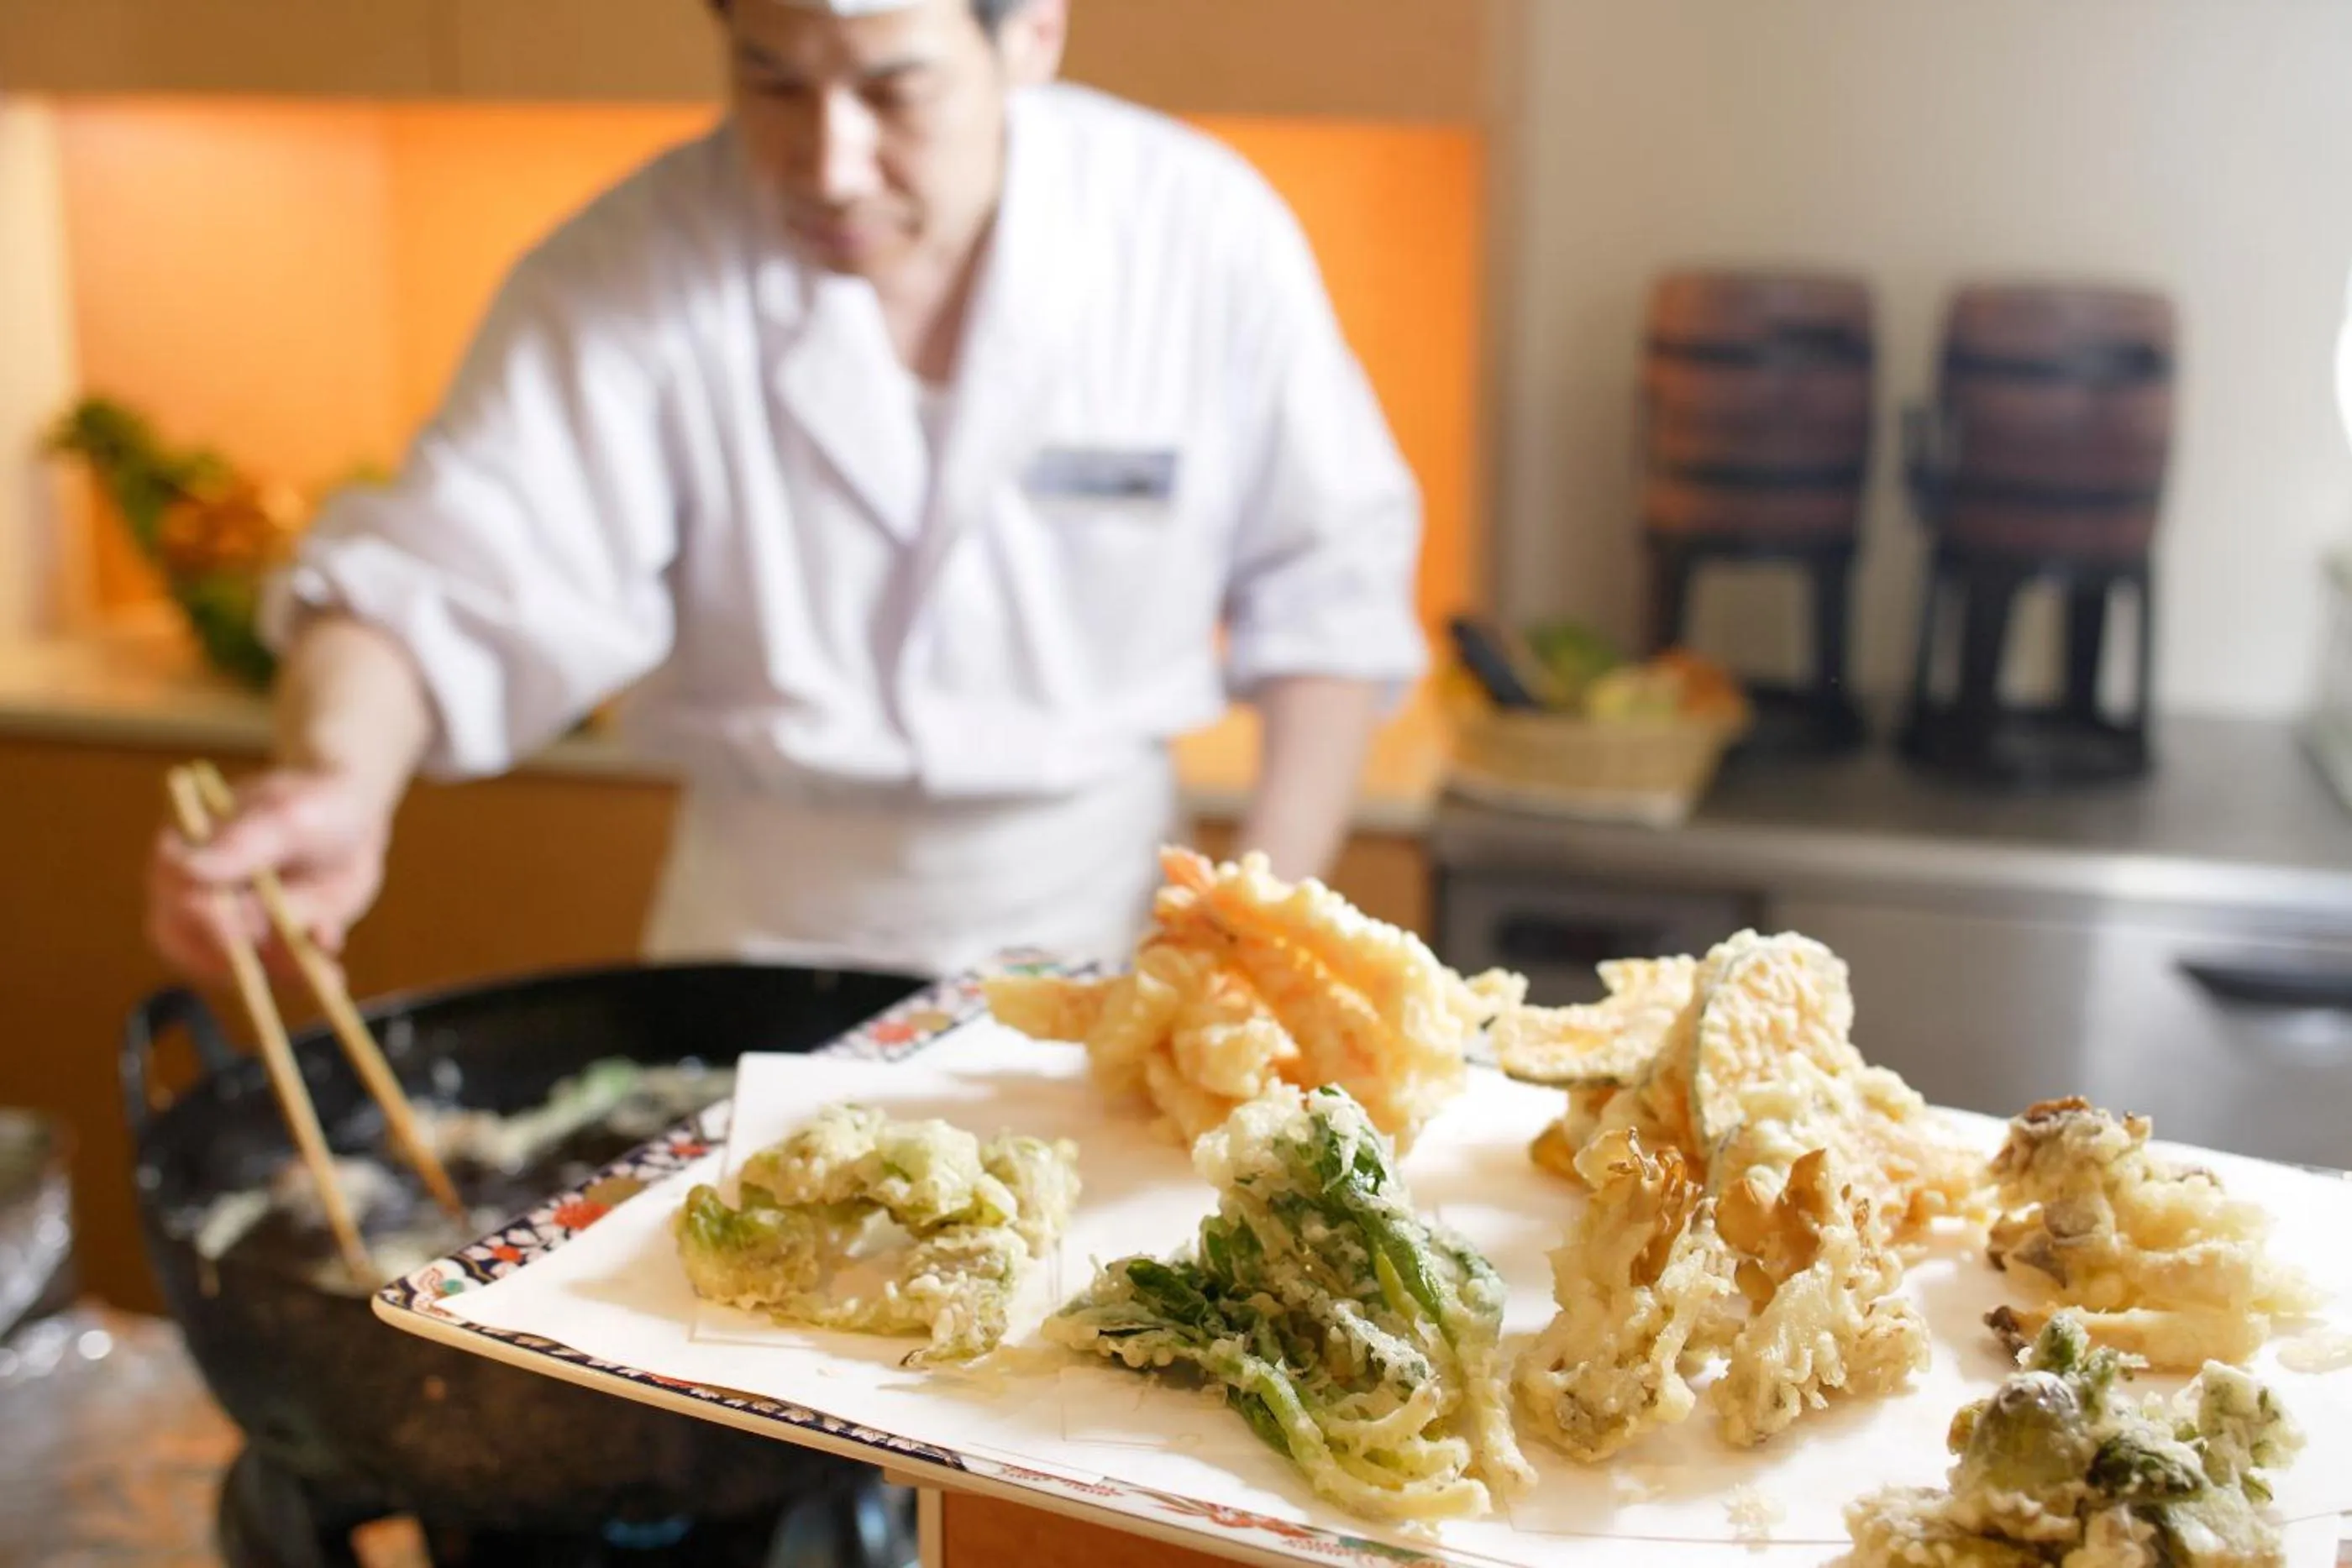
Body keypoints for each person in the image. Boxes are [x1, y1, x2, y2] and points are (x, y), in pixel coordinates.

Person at [145, 0, 1426, 987]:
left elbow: (1330, 592)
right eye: (772, 80)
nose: (830, 163)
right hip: (754, 943)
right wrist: (339, 775)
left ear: (1030, 35)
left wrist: (1254, 922)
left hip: (1103, 917)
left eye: (892, 88)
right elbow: (443, 577)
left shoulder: (1195, 232)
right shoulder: (633, 265)